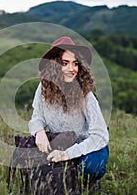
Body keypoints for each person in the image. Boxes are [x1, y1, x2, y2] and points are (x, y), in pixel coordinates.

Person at [28, 36, 109, 190]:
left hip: (89, 146)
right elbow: (37, 117)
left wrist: (67, 154)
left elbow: (100, 136)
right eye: (65, 63)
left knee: (91, 167)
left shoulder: (86, 95)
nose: (72, 69)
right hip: (60, 144)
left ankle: (90, 183)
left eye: (75, 63)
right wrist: (39, 132)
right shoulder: (43, 88)